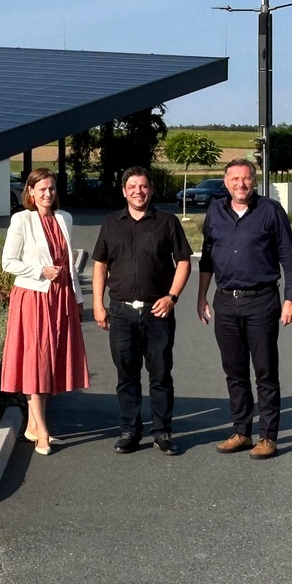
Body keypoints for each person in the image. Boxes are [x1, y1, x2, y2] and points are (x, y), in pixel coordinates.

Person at [194, 159, 292, 459]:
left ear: (254, 182)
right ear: (225, 182)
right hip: (225, 301)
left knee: (265, 372)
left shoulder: (270, 211)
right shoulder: (215, 211)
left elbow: (289, 258)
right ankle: (241, 431)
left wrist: (290, 299)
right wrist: (201, 296)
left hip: (262, 301)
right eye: (235, 179)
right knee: (234, 371)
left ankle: (267, 436)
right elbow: (207, 258)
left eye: (247, 178)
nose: (241, 184)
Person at [92, 166, 192, 456]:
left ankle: (162, 432)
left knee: (160, 375)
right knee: (127, 376)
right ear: (124, 191)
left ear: (151, 189)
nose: (139, 191)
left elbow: (183, 261)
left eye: (144, 186)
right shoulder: (111, 224)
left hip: (157, 313)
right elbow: (101, 264)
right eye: (132, 186)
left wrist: (172, 296)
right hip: (121, 313)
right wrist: (98, 304)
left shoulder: (167, 222)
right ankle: (129, 431)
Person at [0, 167, 90, 455]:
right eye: (42, 190)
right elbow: (8, 262)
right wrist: (40, 270)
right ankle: (43, 432)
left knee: (50, 361)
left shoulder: (65, 218)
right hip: (33, 297)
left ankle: (33, 425)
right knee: (36, 361)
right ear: (31, 193)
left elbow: (70, 263)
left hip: (61, 297)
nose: (48, 194)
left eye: (51, 189)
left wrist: (77, 297)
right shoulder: (21, 220)